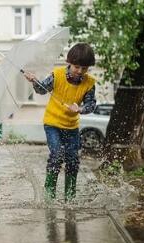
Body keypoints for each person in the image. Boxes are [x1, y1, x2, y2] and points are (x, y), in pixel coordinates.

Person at [24, 42, 96, 202]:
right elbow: (41, 89)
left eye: (84, 68)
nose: (80, 71)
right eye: (77, 67)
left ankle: (70, 197)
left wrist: (80, 109)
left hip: (72, 127)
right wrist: (34, 81)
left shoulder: (89, 83)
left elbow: (91, 105)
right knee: (57, 155)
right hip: (52, 124)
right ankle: (49, 197)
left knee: (72, 159)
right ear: (69, 62)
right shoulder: (56, 75)